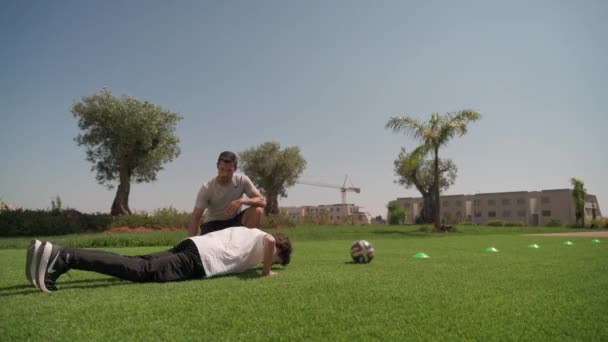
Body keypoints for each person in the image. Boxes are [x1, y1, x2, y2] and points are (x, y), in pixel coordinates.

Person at [25, 226, 292, 293]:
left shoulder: (250, 233)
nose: (266, 262)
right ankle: (65, 256)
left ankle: (51, 254)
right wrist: (267, 272)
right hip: (201, 259)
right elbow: (269, 243)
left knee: (135, 261)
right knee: (140, 270)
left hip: (193, 245)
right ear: (279, 252)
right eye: (275, 260)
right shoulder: (265, 239)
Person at [188, 151, 266, 237]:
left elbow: (262, 201)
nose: (225, 174)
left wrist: (242, 201)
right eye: (222, 169)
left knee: (257, 210)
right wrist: (190, 242)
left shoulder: (242, 180)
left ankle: (249, 246)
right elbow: (195, 217)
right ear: (217, 166)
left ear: (235, 169)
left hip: (234, 222)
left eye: (229, 170)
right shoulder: (207, 187)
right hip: (213, 224)